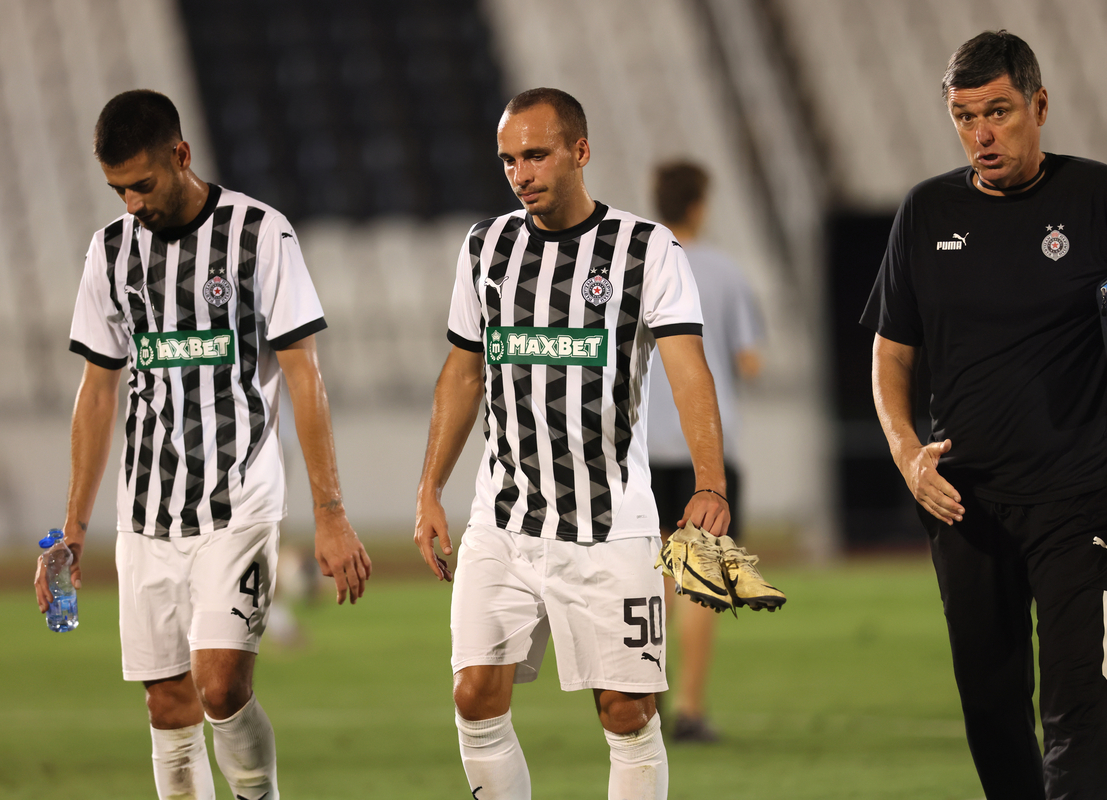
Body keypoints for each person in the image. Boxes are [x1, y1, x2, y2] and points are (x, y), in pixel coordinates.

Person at [861, 31, 1107, 799]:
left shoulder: (1104, 199)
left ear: (1039, 106)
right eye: (965, 116)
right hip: (963, 500)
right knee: (990, 704)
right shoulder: (925, 212)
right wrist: (909, 453)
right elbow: (890, 356)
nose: (982, 133)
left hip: (1082, 496)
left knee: (1078, 702)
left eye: (999, 112)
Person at [34, 90, 372, 800]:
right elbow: (98, 391)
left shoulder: (260, 234)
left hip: (239, 504)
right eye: (117, 189)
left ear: (180, 156)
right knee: (168, 707)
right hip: (147, 516)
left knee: (219, 687)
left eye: (143, 185)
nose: (130, 204)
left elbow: (304, 375)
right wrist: (70, 531)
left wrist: (331, 511)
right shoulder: (110, 251)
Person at [413, 87, 730, 800]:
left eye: (535, 155)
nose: (520, 173)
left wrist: (709, 480)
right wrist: (430, 487)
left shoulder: (646, 249)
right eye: (507, 160)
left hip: (610, 525)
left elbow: (687, 371)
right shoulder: (486, 247)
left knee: (626, 711)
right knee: (474, 697)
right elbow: (463, 373)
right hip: (504, 519)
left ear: (580, 152)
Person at [645, 161, 763, 743]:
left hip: (641, 449)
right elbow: (750, 361)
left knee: (652, 585)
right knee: (702, 581)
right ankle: (690, 709)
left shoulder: (637, 267)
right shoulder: (724, 270)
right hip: (707, 456)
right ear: (700, 203)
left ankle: (645, 703)